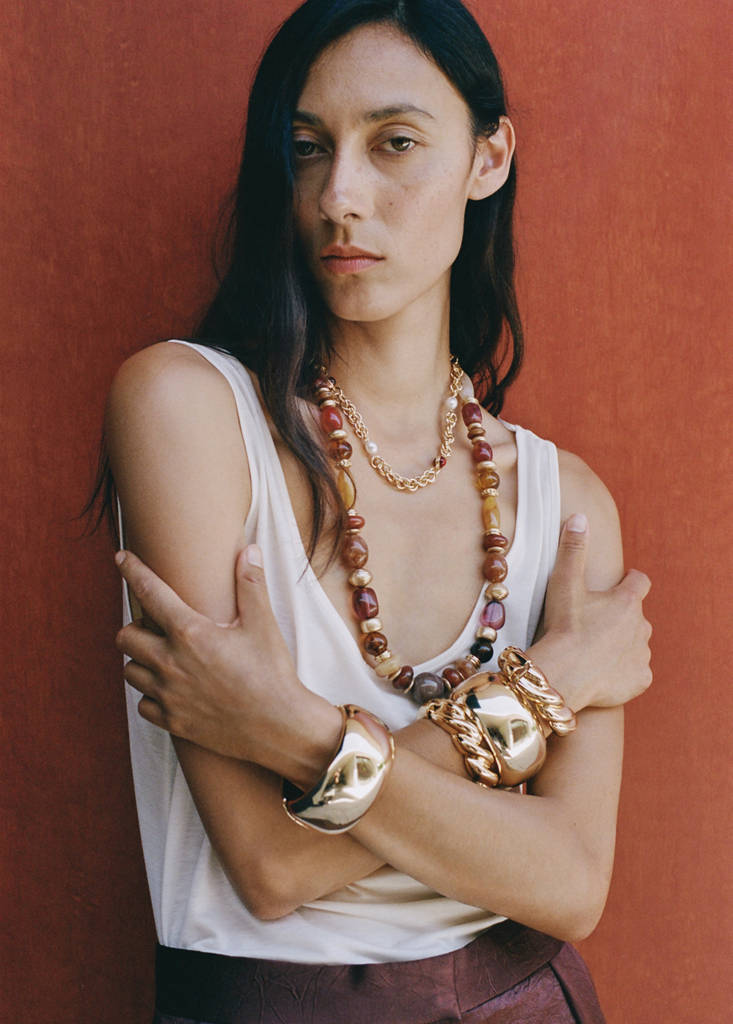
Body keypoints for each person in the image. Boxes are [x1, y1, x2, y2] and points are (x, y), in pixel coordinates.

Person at [104, 1, 652, 1020]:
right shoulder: (186, 410)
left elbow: (571, 885)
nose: (338, 196)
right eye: (308, 149)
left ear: (488, 158)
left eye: (394, 142)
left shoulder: (564, 503)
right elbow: (270, 864)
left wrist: (295, 733)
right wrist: (539, 691)